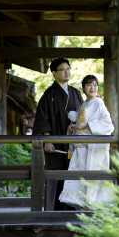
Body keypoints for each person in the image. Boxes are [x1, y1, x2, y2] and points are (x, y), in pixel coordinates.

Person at [32, 58, 83, 211]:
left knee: (74, 174)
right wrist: (47, 140)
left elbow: (83, 115)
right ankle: (52, 211)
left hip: (73, 142)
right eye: (63, 69)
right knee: (56, 176)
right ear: (54, 73)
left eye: (68, 69)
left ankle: (73, 210)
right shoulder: (49, 94)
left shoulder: (75, 93)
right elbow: (43, 117)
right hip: (56, 144)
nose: (67, 72)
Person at [59, 75, 115, 208]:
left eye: (95, 85)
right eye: (89, 85)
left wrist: (88, 125)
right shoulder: (82, 106)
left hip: (93, 147)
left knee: (93, 177)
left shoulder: (99, 103)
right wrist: (73, 128)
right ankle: (84, 206)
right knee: (80, 177)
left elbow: (108, 124)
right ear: (83, 88)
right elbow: (80, 126)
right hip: (81, 147)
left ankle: (95, 206)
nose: (92, 88)